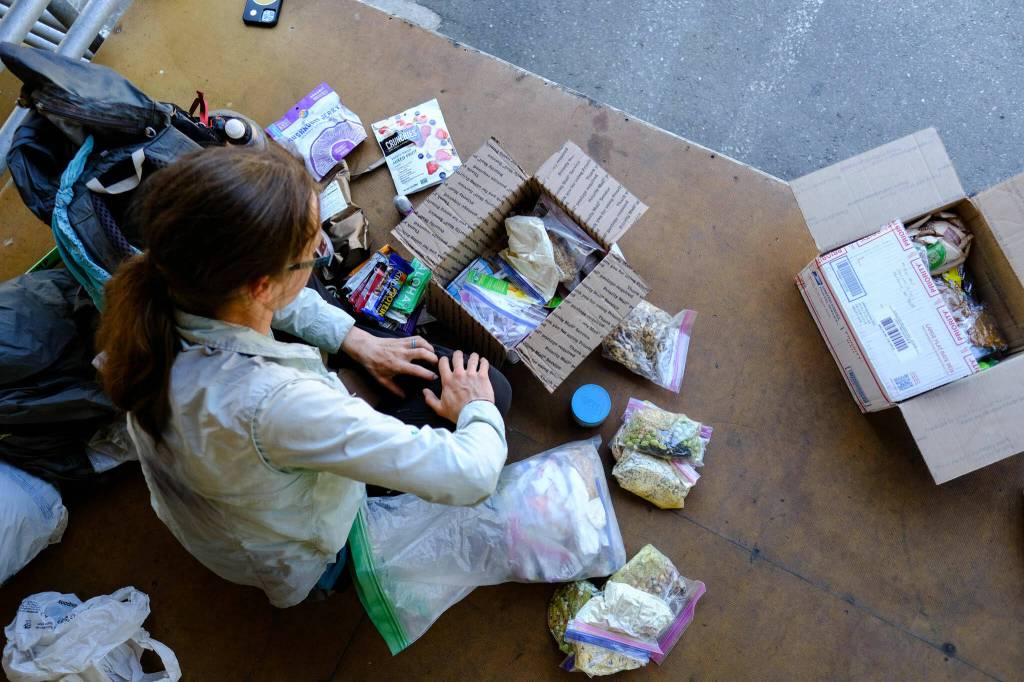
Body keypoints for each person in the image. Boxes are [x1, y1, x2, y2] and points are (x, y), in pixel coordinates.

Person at [96, 145, 511, 608]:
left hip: (230, 502)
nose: (323, 249)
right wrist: (476, 405)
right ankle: (340, 572)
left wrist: (355, 340)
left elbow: (264, 299)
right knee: (495, 388)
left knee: (331, 305)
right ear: (261, 286)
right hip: (299, 554)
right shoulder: (273, 404)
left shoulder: (162, 282)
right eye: (311, 246)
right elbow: (471, 476)